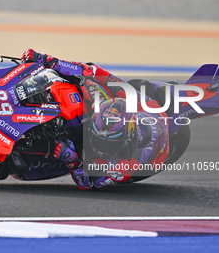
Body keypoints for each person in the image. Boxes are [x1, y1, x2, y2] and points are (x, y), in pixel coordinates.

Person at [20, 49, 169, 189]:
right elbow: (91, 71)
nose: (100, 144)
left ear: (126, 139)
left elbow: (89, 183)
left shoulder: (128, 162)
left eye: (107, 142)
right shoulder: (119, 98)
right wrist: (47, 60)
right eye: (98, 137)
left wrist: (73, 162)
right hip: (136, 107)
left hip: (155, 129)